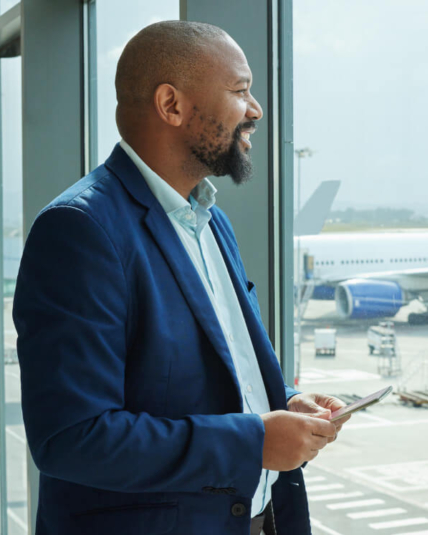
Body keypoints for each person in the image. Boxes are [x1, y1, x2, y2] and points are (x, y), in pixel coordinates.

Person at [14, 21, 349, 535]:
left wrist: (282, 403)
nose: (256, 109)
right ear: (171, 106)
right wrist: (253, 442)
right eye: (240, 92)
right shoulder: (80, 230)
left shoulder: (210, 221)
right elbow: (72, 437)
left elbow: (208, 370)